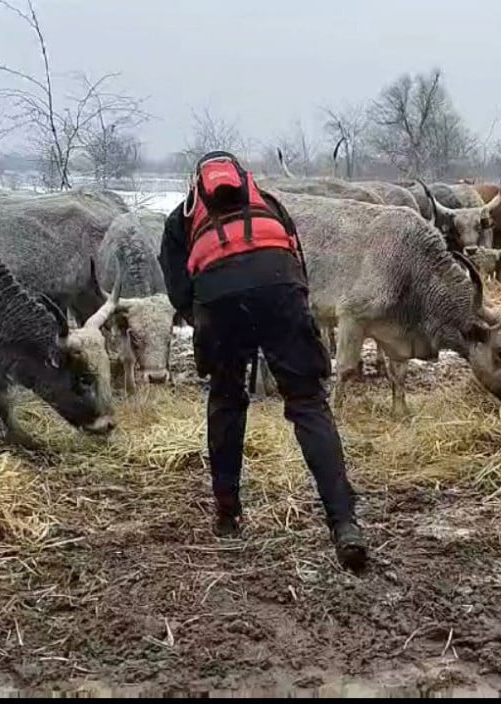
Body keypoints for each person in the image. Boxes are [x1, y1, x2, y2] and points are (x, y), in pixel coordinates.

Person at [157, 150, 368, 571]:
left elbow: (179, 289)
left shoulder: (182, 216)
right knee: (308, 402)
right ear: (242, 177)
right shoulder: (268, 203)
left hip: (217, 299)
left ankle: (228, 516)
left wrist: (206, 323)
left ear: (197, 183)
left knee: (227, 400)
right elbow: (297, 262)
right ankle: (345, 524)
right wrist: (290, 317)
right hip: (279, 287)